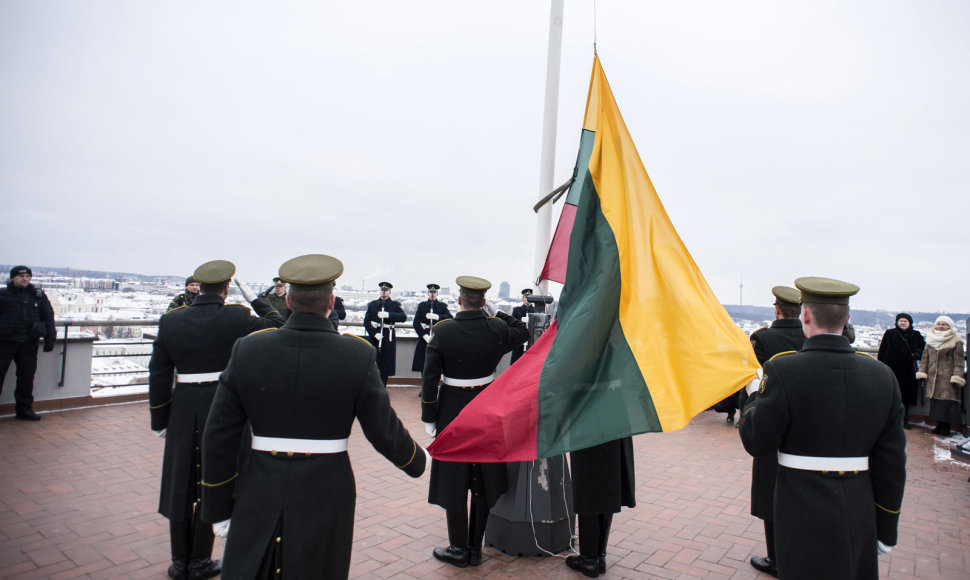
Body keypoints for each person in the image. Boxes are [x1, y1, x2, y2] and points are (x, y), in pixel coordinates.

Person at [201, 254, 426, 579]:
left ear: (288, 301)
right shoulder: (357, 355)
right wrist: (417, 461)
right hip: (327, 490)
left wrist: (218, 508)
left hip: (259, 483)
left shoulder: (248, 350)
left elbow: (218, 435)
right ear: (331, 302)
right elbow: (383, 430)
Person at [739, 277, 906, 580]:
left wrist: (752, 397)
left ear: (805, 315)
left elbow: (756, 440)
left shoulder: (783, 369)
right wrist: (887, 527)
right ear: (848, 319)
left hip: (799, 504)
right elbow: (892, 463)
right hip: (859, 504)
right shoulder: (882, 376)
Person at [149, 260, 285, 580]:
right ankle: (199, 560)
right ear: (226, 288)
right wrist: (252, 297)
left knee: (180, 482)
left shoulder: (171, 320)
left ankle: (179, 561)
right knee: (214, 479)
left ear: (198, 287)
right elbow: (277, 322)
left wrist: (160, 419)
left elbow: (158, 373)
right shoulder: (237, 316)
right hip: (223, 406)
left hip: (182, 407)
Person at [421, 276, 528, 568]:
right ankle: (474, 549)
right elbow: (522, 330)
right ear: (483, 301)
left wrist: (429, 416)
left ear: (459, 300)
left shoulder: (443, 331)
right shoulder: (496, 328)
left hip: (452, 411)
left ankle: (458, 548)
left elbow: (430, 380)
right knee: (482, 478)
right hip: (486, 407)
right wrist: (497, 313)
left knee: (454, 478)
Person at [739, 286, 807, 578]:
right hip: (807, 423)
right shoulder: (809, 336)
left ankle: (776, 557)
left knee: (770, 490)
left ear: (777, 309)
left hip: (772, 420)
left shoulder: (763, 338)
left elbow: (753, 376)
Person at [565, 439, 635, 578]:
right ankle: (599, 557)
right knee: (608, 484)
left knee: (587, 488)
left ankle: (589, 560)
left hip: (589, 434)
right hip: (615, 432)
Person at [0, 265, 56, 421]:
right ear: (13, 278)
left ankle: (24, 409)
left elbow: (48, 315)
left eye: (28, 276)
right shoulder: (3, 295)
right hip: (5, 342)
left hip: (28, 343)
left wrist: (50, 337)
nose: (25, 279)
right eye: (21, 276)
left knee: (26, 378)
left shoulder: (37, 295)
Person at [915, 315, 965, 436]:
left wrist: (957, 376)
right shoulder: (931, 339)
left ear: (949, 326)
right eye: (939, 324)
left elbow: (959, 361)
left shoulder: (956, 340)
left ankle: (946, 427)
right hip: (933, 377)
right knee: (935, 403)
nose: (941, 326)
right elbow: (925, 358)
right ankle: (939, 425)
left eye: (944, 324)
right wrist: (922, 371)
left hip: (947, 377)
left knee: (947, 403)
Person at [877, 313, 926, 430]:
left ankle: (905, 420)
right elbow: (882, 351)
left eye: (905, 321)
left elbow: (923, 348)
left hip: (908, 371)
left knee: (906, 398)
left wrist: (917, 354)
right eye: (901, 321)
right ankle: (891, 421)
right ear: (897, 322)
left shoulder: (915, 335)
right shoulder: (890, 333)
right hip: (892, 369)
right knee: (892, 396)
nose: (903, 323)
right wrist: (882, 367)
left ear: (910, 323)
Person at [363, 282, 406, 386]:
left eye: (386, 290)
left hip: (387, 336)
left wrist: (389, 315)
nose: (384, 292)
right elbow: (366, 321)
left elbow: (403, 317)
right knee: (373, 361)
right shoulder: (373, 304)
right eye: (382, 290)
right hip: (375, 336)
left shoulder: (395, 305)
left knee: (385, 363)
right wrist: (374, 334)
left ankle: (383, 385)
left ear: (389, 292)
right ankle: (373, 386)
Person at [411, 283, 453, 373]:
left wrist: (438, 317)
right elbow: (416, 323)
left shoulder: (442, 306)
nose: (432, 294)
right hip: (424, 337)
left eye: (434, 292)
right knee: (423, 363)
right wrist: (423, 335)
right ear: (427, 293)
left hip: (437, 336)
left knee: (436, 363)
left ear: (437, 294)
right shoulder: (422, 306)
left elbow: (450, 318)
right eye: (431, 292)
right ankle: (424, 385)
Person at [510, 288, 535, 364]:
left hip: (532, 339)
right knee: (516, 361)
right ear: (522, 298)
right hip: (519, 340)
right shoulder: (517, 310)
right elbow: (513, 325)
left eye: (529, 297)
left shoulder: (535, 310)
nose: (527, 299)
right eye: (526, 297)